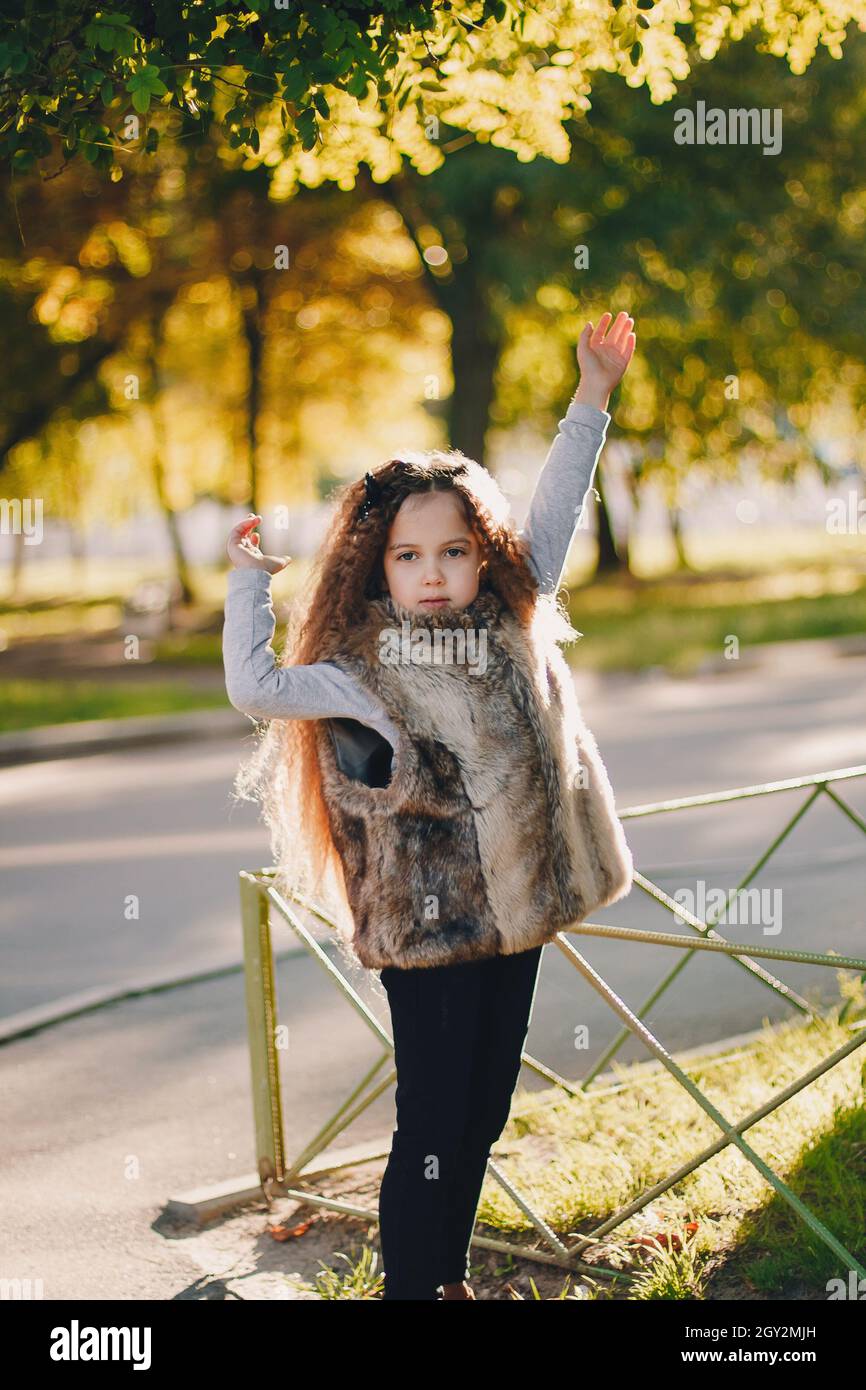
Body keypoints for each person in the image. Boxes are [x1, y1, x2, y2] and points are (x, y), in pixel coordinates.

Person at [223, 311, 637, 1300]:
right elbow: (255, 688)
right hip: (432, 927)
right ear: (378, 567)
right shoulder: (363, 666)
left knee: (485, 1109)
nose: (434, 573)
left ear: (481, 554)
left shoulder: (511, 614)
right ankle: (412, 1286)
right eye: (408, 558)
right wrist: (249, 586)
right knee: (434, 1121)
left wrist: (590, 395)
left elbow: (556, 513)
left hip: (516, 910)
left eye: (452, 552)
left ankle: (443, 1276)